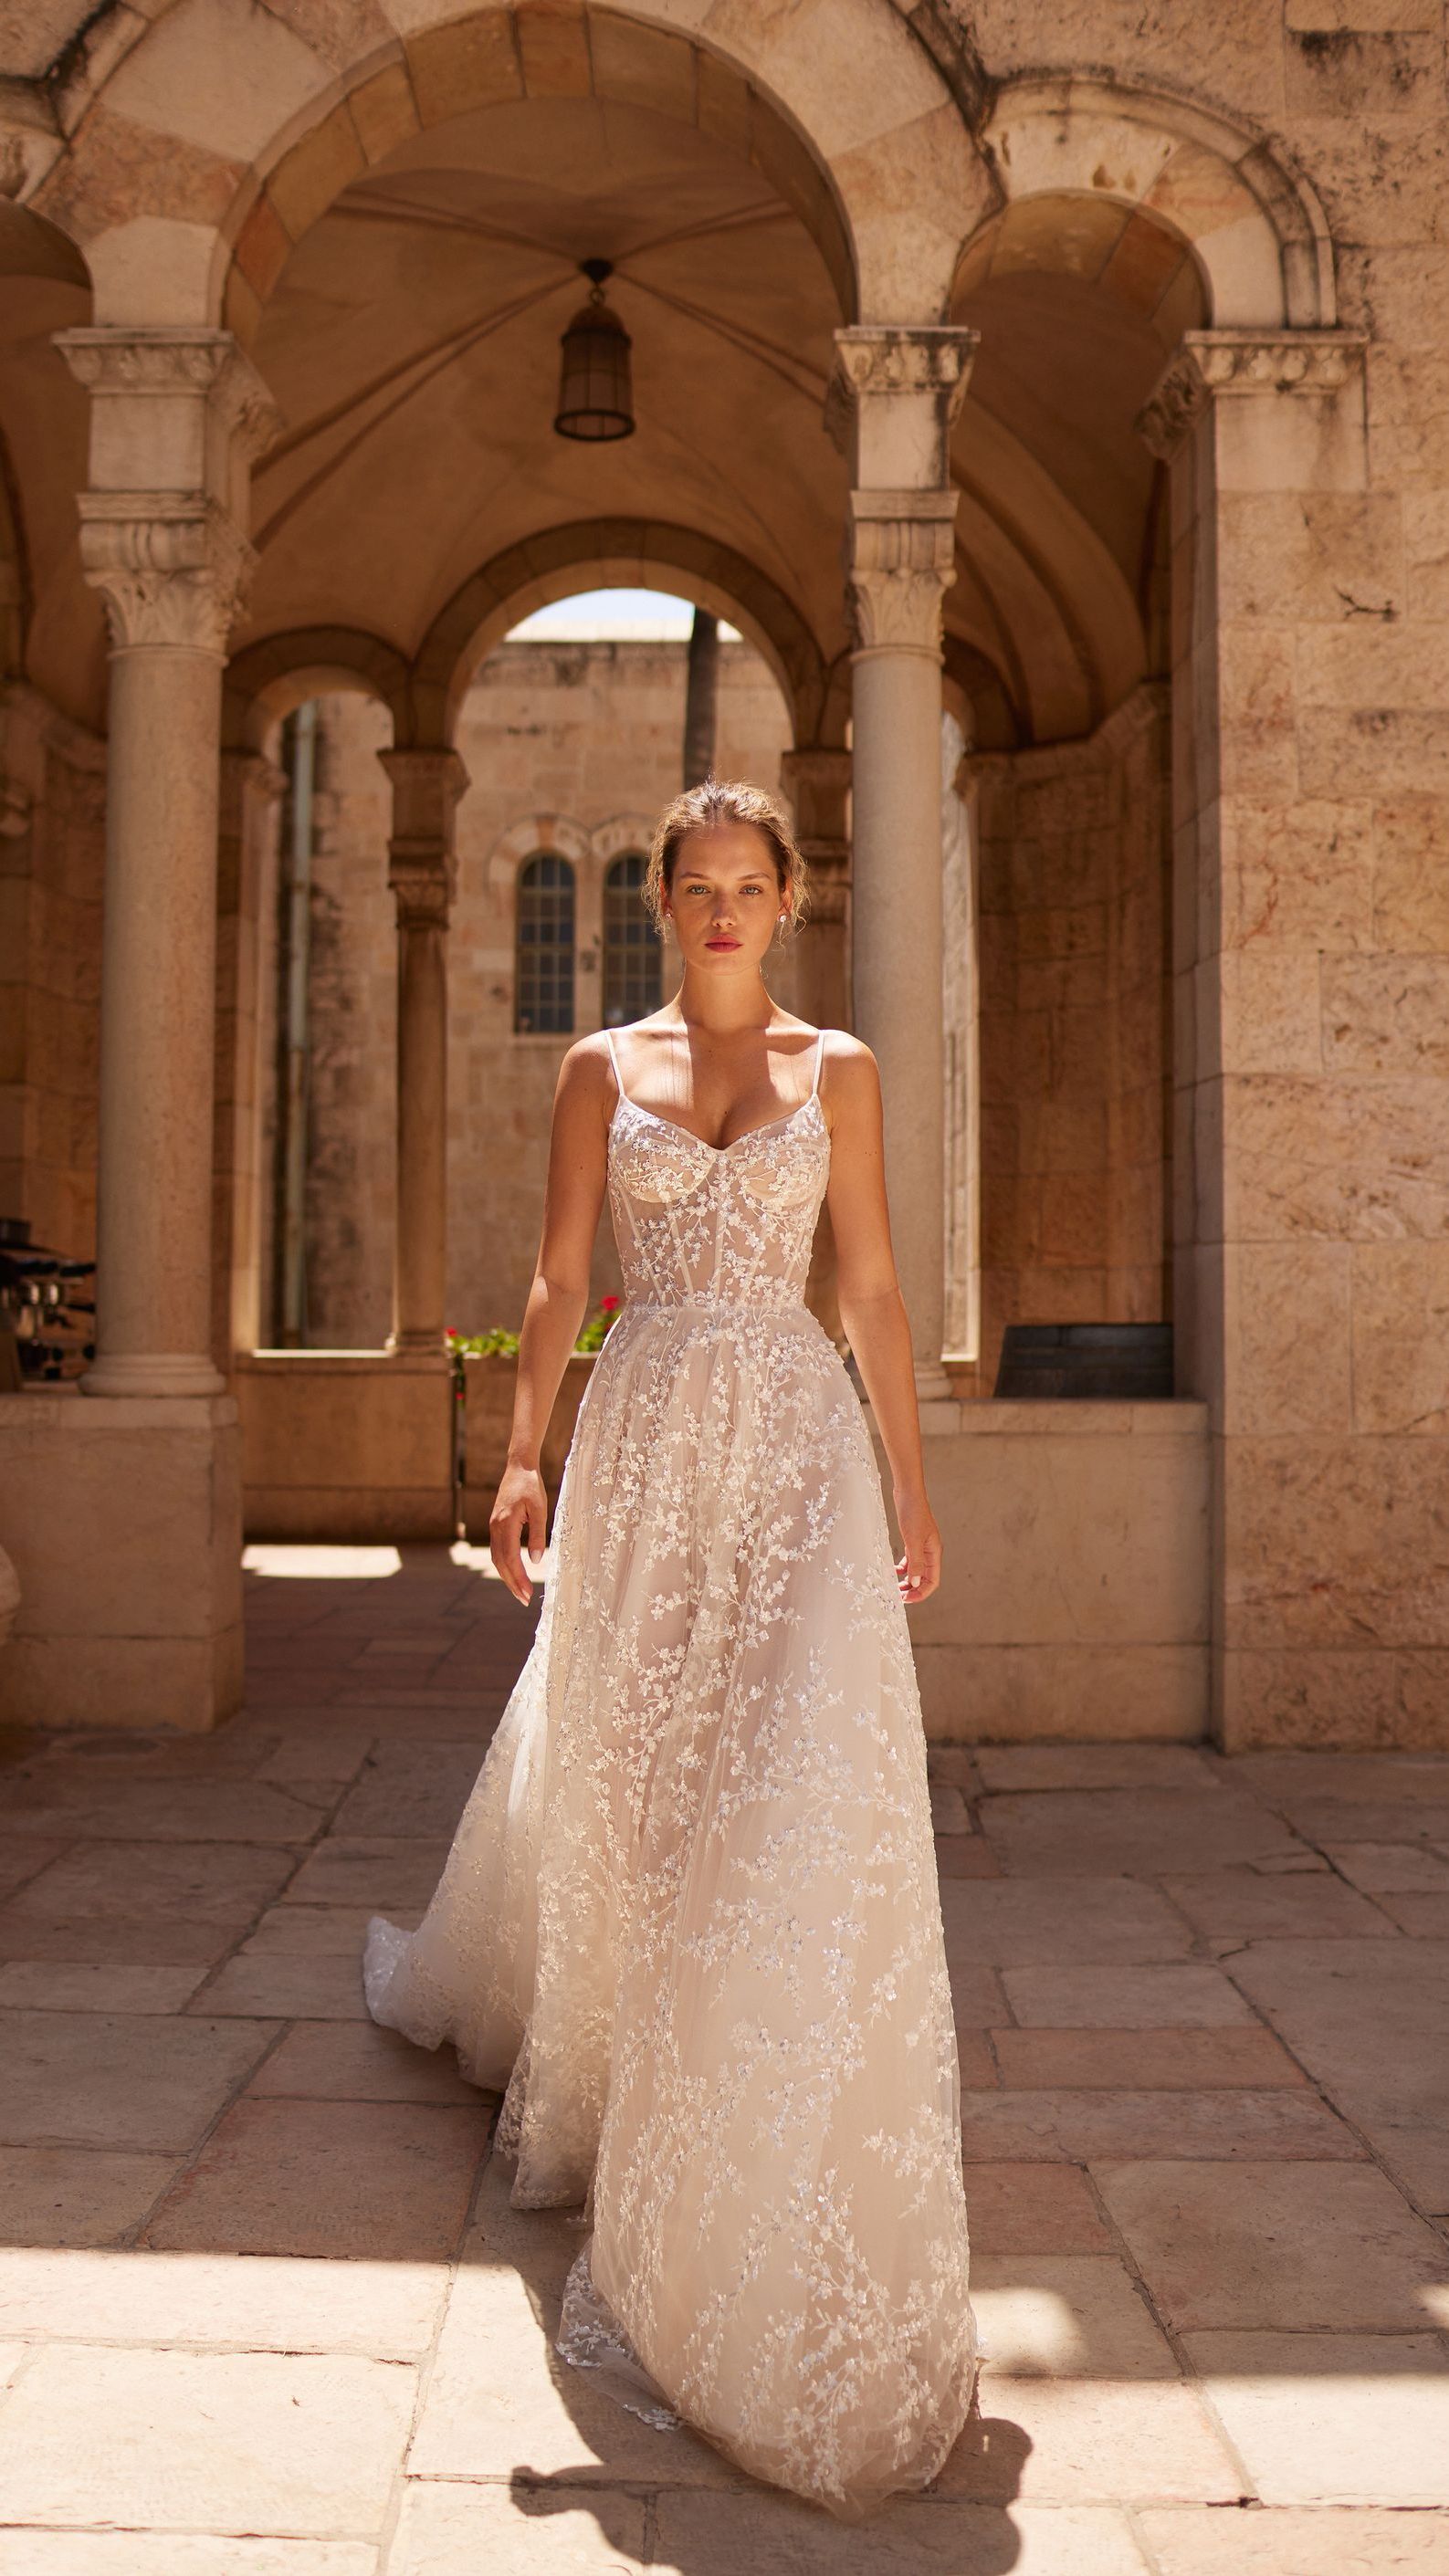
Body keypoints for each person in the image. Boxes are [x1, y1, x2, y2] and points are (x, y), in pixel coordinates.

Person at [363, 777, 977, 2518]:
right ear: (664, 903)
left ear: (787, 898)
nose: (721, 910)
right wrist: (520, 1454)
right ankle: (630, 2064)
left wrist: (912, 1489)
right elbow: (563, 1282)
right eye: (694, 886)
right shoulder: (597, 1071)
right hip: (642, 1449)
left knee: (773, 1775)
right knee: (643, 1769)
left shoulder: (836, 1069)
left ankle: (741, 2112)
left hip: (793, 1452)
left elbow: (868, 1289)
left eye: (747, 884)